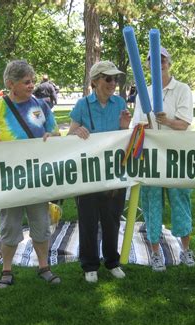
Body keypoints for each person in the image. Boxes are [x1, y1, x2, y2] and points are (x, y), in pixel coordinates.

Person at [0, 60, 61, 287]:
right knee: (9, 227)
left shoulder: (42, 107)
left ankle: (44, 267)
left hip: (37, 178)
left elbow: (55, 133)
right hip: (8, 182)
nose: (32, 85)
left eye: (32, 80)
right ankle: (6, 270)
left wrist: (52, 137)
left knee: (41, 225)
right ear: (11, 84)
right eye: (26, 82)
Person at [132, 47, 195, 272]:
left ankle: (186, 249)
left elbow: (184, 124)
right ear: (147, 66)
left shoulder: (182, 89)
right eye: (153, 61)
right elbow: (137, 126)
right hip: (151, 157)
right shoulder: (143, 93)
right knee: (152, 204)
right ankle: (156, 253)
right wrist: (144, 124)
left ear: (169, 63)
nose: (159, 65)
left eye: (163, 60)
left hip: (176, 156)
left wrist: (165, 121)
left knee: (180, 201)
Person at [68, 61, 131, 283]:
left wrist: (125, 126)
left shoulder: (120, 103)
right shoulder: (82, 105)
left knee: (112, 219)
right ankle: (90, 265)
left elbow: (124, 138)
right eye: (108, 78)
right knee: (88, 219)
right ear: (95, 81)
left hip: (114, 173)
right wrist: (77, 132)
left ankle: (112, 261)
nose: (113, 83)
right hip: (87, 173)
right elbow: (69, 136)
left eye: (115, 79)